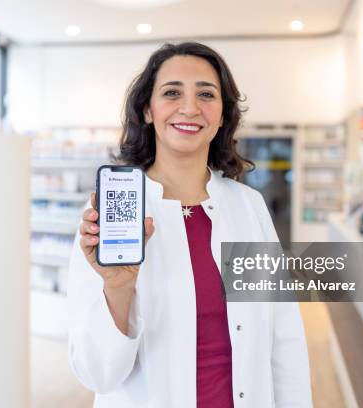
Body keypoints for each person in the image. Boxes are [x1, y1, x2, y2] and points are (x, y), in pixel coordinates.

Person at [68, 42, 312, 407]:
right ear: (148, 110)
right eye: (171, 93)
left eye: (206, 94)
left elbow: (283, 336)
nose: (189, 107)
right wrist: (118, 289)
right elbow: (98, 375)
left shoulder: (248, 207)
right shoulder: (110, 216)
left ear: (222, 114)